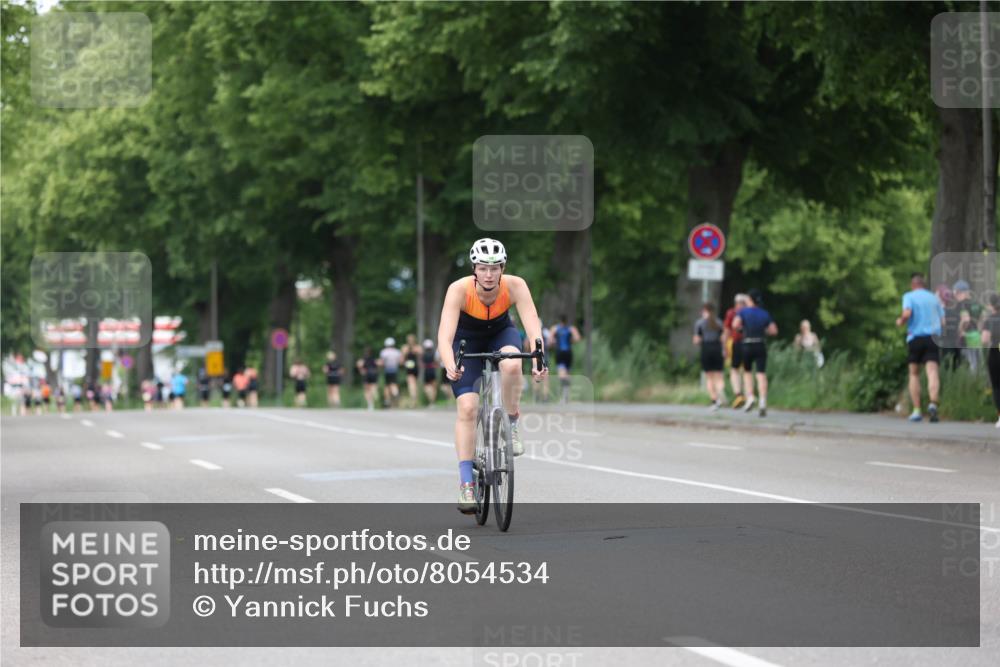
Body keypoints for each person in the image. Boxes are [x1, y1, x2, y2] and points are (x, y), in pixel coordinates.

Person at [437, 238, 547, 514]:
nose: (489, 274)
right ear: (474, 268)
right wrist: (450, 364)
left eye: (494, 268)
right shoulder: (458, 290)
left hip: (500, 333)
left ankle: (511, 422)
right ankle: (466, 485)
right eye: (483, 268)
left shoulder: (516, 285)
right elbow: (445, 335)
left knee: (511, 364)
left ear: (503, 268)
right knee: (468, 407)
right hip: (466, 341)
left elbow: (532, 324)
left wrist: (539, 355)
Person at [896, 272, 944, 423]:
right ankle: (933, 403)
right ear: (923, 284)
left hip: (915, 338)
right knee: (932, 372)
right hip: (933, 338)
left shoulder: (909, 296)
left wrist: (901, 321)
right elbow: (943, 322)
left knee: (914, 374)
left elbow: (907, 313)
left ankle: (917, 410)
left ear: (913, 285)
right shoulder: (934, 298)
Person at [732, 288, 778, 417]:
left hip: (747, 344)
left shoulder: (743, 312)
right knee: (761, 373)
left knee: (747, 372)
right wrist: (764, 332)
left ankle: (750, 396)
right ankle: (763, 401)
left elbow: (735, 325)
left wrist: (742, 330)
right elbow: (774, 330)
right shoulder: (764, 313)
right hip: (760, 344)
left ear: (750, 299)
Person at [693, 302, 726, 411]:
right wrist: (724, 350)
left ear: (704, 311)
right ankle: (721, 392)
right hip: (717, 348)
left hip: (706, 349)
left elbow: (696, 340)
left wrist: (700, 340)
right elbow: (723, 338)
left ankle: (714, 400)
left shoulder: (699, 323)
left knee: (709, 377)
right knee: (719, 375)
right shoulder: (719, 323)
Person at [548, 314, 582, 404]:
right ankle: (566, 394)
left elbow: (550, 341)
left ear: (559, 321)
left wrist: (554, 343)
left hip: (559, 353)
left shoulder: (555, 329)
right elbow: (577, 338)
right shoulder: (571, 329)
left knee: (561, 375)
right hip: (568, 353)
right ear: (566, 321)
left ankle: (564, 396)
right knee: (567, 373)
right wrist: (570, 341)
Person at [722, 294, 748, 407]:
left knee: (734, 370)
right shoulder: (750, 312)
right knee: (747, 370)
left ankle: (739, 395)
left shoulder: (732, 313)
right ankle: (748, 395)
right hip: (750, 343)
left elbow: (727, 331)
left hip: (736, 342)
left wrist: (724, 347)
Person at [981, 294, 1000, 428]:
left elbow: (985, 339)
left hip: (995, 353)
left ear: (991, 305)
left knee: (997, 387)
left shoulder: (990, 319)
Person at [379, 337, 403, 408]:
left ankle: (387, 400)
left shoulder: (384, 352)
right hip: (395, 369)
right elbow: (401, 362)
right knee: (394, 384)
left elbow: (382, 363)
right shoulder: (397, 352)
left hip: (387, 370)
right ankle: (396, 394)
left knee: (387, 386)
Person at [402, 334, 420, 407]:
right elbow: (421, 355)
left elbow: (403, 358)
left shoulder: (405, 347)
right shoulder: (417, 347)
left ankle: (413, 399)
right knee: (415, 383)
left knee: (411, 383)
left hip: (409, 366)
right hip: (415, 366)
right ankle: (415, 399)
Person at [420, 338, 439, 405]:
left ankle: (430, 400)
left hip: (426, 371)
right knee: (434, 386)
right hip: (432, 370)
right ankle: (433, 401)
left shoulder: (423, 354)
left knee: (426, 386)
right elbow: (437, 363)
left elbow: (421, 364)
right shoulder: (434, 353)